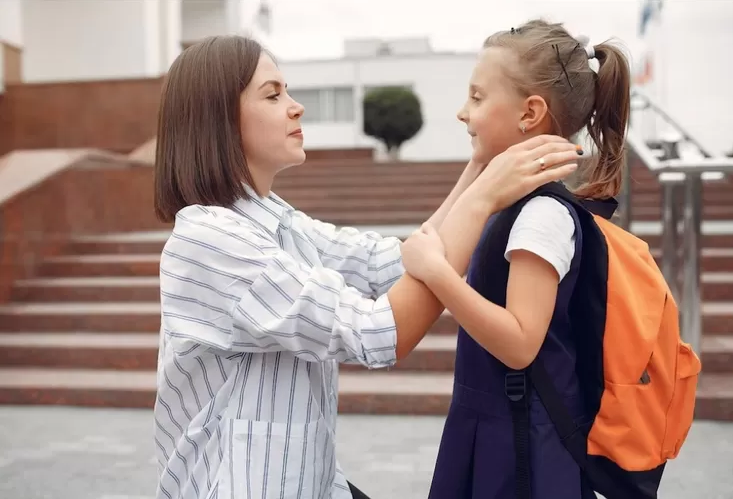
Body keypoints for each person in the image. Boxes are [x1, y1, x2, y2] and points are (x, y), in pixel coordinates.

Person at [152, 35, 581, 499]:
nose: (296, 108)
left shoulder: (278, 221)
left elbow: (390, 266)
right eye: (273, 95)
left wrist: (479, 168)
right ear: (219, 119)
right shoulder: (210, 240)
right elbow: (378, 332)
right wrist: (481, 200)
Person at [400, 19, 631, 499]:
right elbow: (429, 241)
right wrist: (479, 166)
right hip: (495, 428)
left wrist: (440, 275)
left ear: (530, 112)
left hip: (522, 449)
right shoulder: (510, 203)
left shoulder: (542, 216)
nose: (464, 113)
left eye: (478, 98)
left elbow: (521, 342)